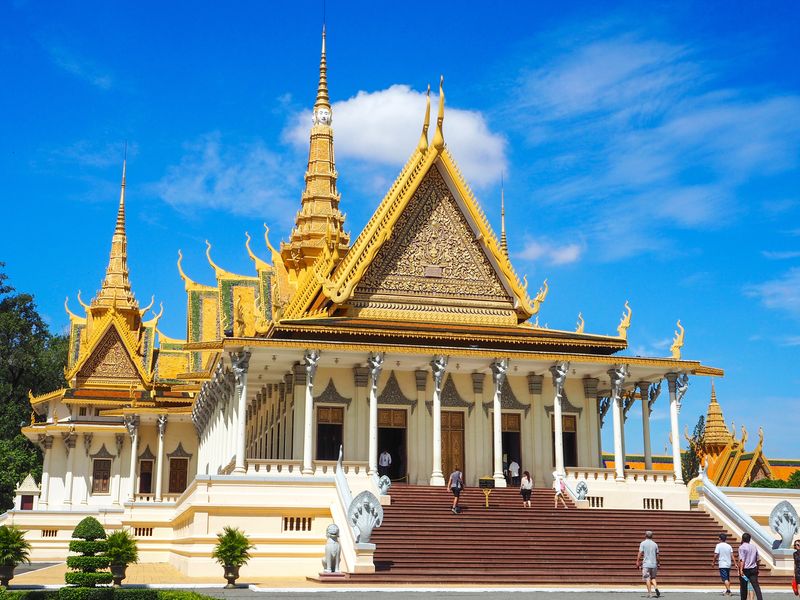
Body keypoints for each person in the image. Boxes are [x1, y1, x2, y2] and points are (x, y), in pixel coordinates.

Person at [735, 532, 763, 600]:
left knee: (743, 587)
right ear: (749, 539)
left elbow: (742, 560)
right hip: (753, 569)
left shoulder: (742, 547)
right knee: (756, 586)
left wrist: (741, 570)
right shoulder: (754, 547)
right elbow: (758, 559)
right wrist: (757, 568)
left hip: (745, 570)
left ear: (742, 539)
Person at [636, 530, 660, 598]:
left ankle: (650, 593)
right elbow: (657, 555)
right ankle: (656, 587)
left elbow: (640, 552)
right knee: (653, 577)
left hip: (646, 564)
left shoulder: (643, 543)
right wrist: (659, 563)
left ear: (645, 535)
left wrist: (637, 561)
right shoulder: (655, 544)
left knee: (647, 578)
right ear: (652, 536)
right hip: (654, 564)